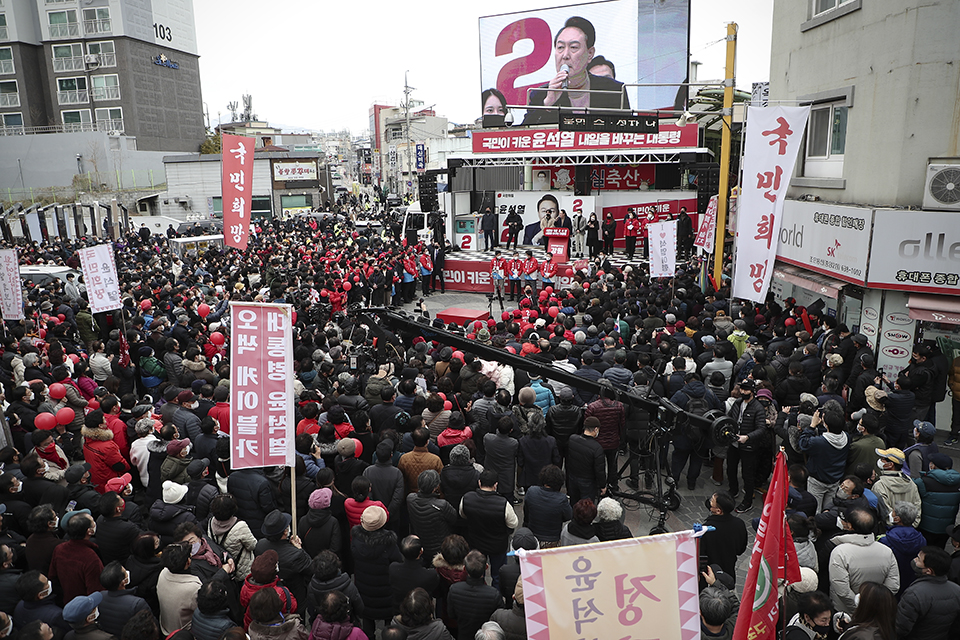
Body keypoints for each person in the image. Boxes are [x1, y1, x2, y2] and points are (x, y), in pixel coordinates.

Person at [522, 16, 629, 125]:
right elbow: (523, 136)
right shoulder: (541, 95)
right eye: (560, 47)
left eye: (573, 47)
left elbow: (628, 134)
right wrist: (547, 104)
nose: (565, 55)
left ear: (590, 54)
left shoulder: (613, 90)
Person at [828, 508, 899, 614]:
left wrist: (860, 607)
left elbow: (842, 590)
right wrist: (874, 604)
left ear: (850, 526)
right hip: (876, 611)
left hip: (845, 612)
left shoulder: (839, 552)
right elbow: (893, 585)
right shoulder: (886, 551)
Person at [459, 469, 518, 589]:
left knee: (476, 571)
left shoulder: (467, 498)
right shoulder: (503, 504)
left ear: (479, 483)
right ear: (496, 485)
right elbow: (513, 523)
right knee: (497, 574)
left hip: (475, 542)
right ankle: (495, 593)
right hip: (497, 546)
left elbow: (462, 514)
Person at [896, 547, 960, 640]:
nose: (915, 560)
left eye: (918, 559)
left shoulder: (914, 594)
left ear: (928, 571)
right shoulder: (957, 590)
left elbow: (901, 627)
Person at [725, 379, 768, 513]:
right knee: (730, 468)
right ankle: (733, 490)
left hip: (748, 446)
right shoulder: (737, 403)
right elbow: (730, 417)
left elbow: (761, 429)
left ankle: (747, 501)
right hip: (734, 443)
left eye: (746, 390)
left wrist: (747, 437)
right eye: (742, 389)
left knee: (747, 474)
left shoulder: (758, 408)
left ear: (752, 391)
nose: (743, 392)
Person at [446, 550, 503, 640]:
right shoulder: (493, 594)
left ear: (464, 569)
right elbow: (498, 619)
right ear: (486, 567)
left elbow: (451, 614)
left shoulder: (454, 589)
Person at [699, 492, 747, 580]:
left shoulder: (706, 530)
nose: (709, 503)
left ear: (718, 511)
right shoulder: (739, 524)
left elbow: (701, 554)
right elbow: (740, 550)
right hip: (728, 570)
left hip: (710, 573)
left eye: (711, 502)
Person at [388, 536, 439, 613]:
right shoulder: (430, 574)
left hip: (399, 610)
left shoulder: (393, 568)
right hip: (422, 611)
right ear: (421, 551)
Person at [565, 417, 606, 504]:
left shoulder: (572, 439)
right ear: (595, 429)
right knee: (586, 507)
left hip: (572, 477)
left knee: (574, 503)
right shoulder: (597, 448)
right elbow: (599, 470)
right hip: (588, 482)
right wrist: (602, 485)